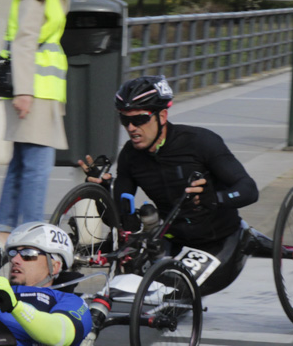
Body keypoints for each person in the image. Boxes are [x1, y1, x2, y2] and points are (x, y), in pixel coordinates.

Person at [78, 75, 261, 278]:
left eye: (139, 119)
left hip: (220, 238)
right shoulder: (130, 155)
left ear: (162, 116)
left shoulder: (200, 142)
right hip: (173, 238)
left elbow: (249, 189)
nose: (131, 128)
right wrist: (101, 191)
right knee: (128, 287)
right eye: (125, 119)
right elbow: (123, 223)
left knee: (174, 289)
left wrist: (216, 198)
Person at [0, 0, 76, 248]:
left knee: (21, 166)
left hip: (41, 91)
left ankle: (4, 237)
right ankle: (29, 238)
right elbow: (25, 42)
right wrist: (24, 92)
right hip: (34, 92)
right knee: (37, 169)